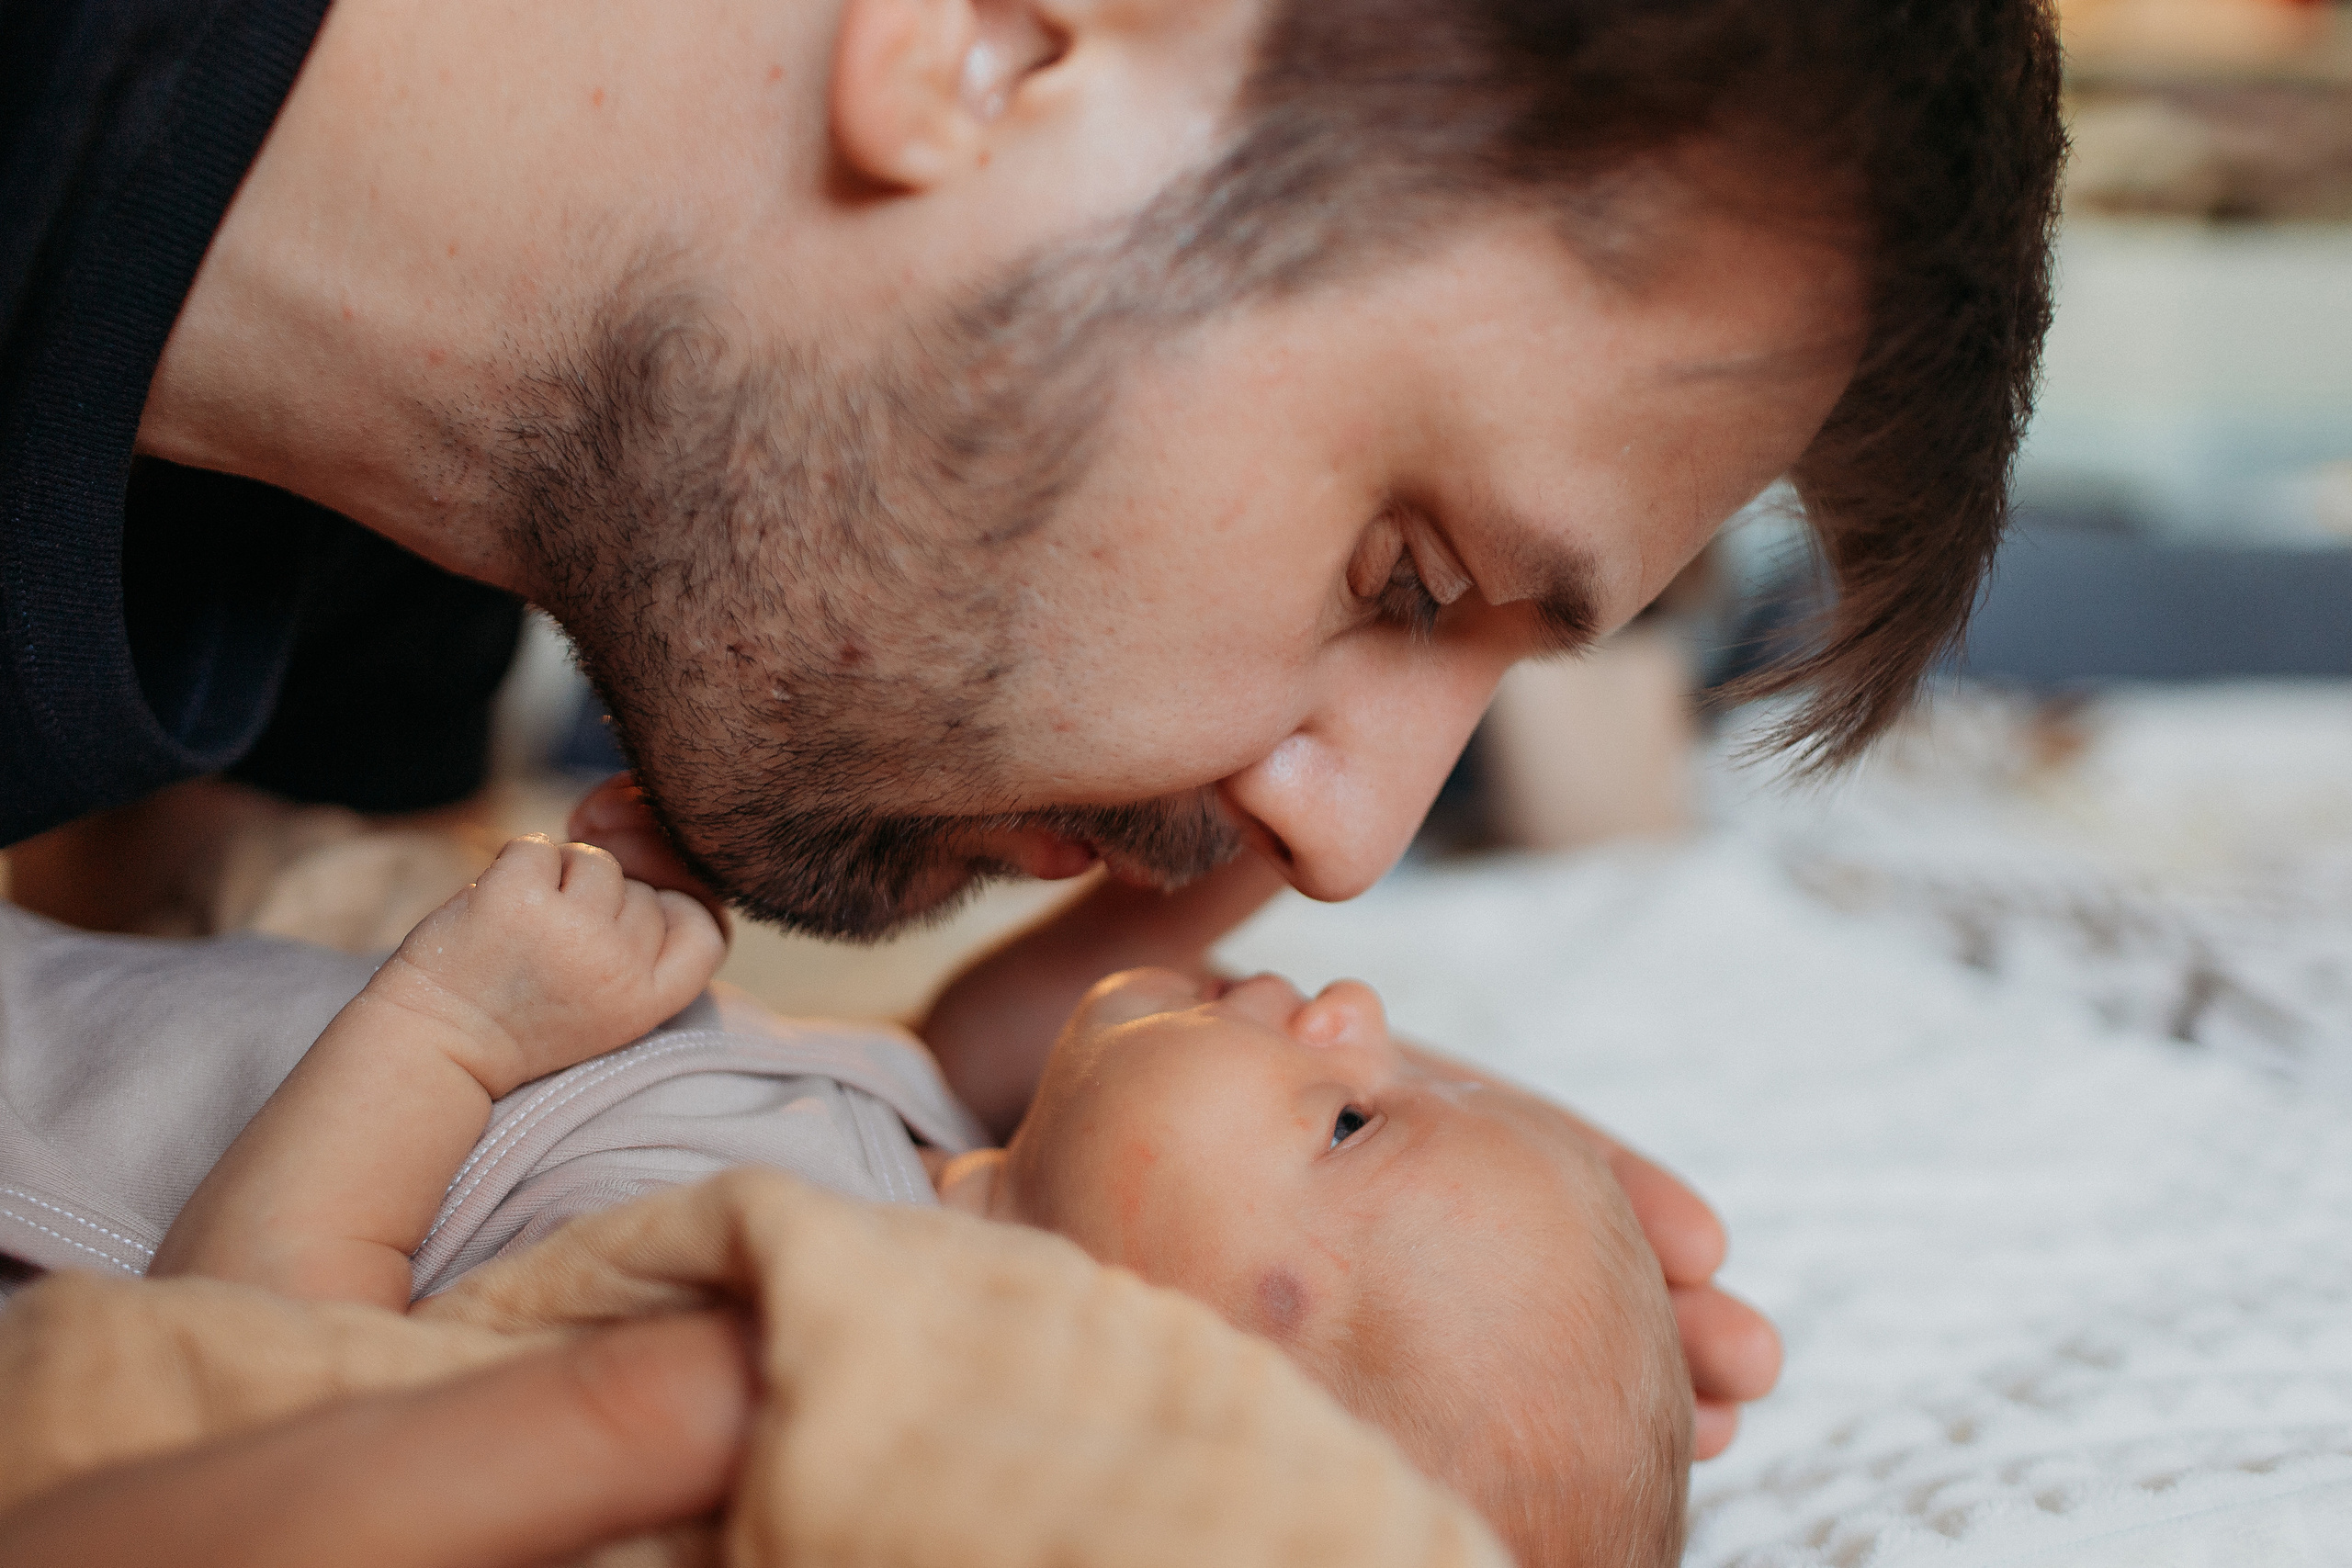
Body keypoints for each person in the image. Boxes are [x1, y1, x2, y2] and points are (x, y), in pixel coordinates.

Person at [0, 0, 2067, 1554]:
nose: (1341, 855)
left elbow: (228, 962)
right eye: (1406, 571)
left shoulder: (375, 596)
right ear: (999, 42)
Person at [123, 833, 1688, 1567]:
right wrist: (1251, 841)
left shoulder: (773, 1365)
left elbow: (249, 1392)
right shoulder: (953, 1162)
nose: (1355, 1004)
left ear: (1183, 1383)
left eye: (1355, 1122)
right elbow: (1020, 1041)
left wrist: (450, 1031)